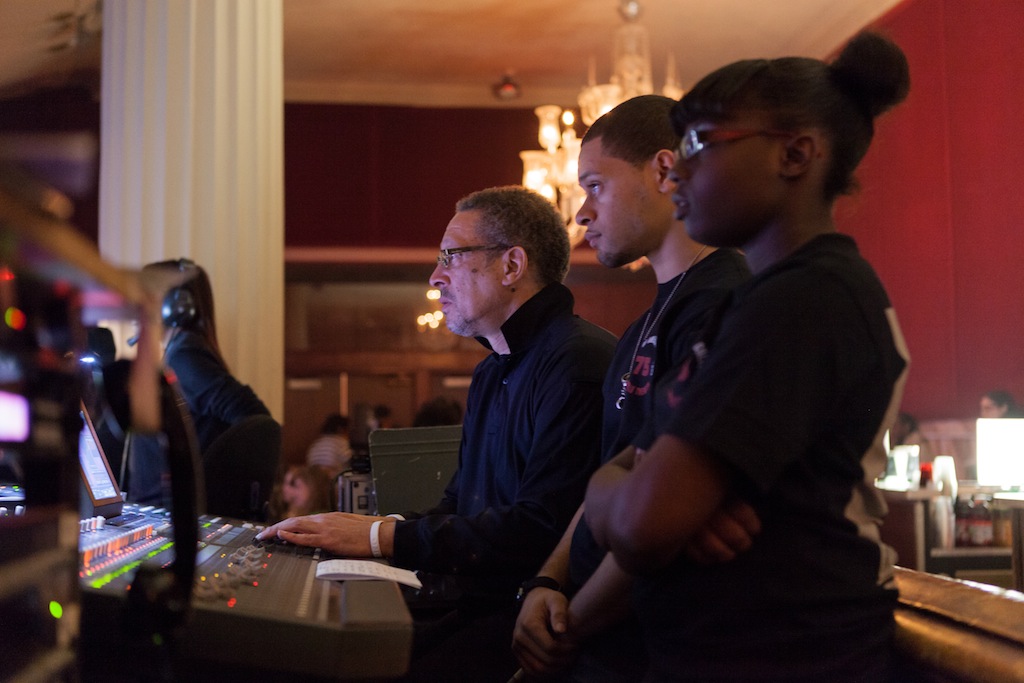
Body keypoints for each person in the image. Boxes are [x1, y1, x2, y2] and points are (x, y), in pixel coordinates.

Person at [584, 32, 911, 681]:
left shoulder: (805, 299)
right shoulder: (756, 299)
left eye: (701, 144)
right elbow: (631, 481)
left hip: (785, 656)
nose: (677, 172)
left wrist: (634, 499)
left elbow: (645, 524)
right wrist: (629, 493)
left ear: (795, 154)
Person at [257, 186, 617, 680]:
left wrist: (379, 536)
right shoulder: (492, 369)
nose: (435, 276)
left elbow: (537, 530)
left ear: (512, 266)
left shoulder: (577, 361)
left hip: (535, 622)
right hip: (480, 604)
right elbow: (459, 505)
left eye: (450, 256)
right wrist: (366, 531)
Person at [512, 95, 753, 682]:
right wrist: (549, 580)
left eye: (595, 186)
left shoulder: (722, 304)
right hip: (598, 634)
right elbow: (608, 478)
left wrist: (568, 629)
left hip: (659, 648)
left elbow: (665, 516)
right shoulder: (640, 328)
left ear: (665, 171)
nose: (581, 214)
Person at [128, 259, 275, 506]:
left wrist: (210, 486)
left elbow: (256, 419)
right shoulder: (180, 354)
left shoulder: (184, 357)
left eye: (146, 295)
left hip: (170, 511)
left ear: (176, 306)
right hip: (164, 508)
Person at [268, 463, 334, 522]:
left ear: (314, 489)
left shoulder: (319, 519)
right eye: (285, 483)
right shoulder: (285, 512)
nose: (284, 489)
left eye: (293, 485)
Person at [305, 412, 354, 478]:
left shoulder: (316, 443)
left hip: (314, 478)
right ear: (341, 429)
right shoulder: (341, 442)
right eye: (348, 430)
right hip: (332, 478)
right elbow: (349, 460)